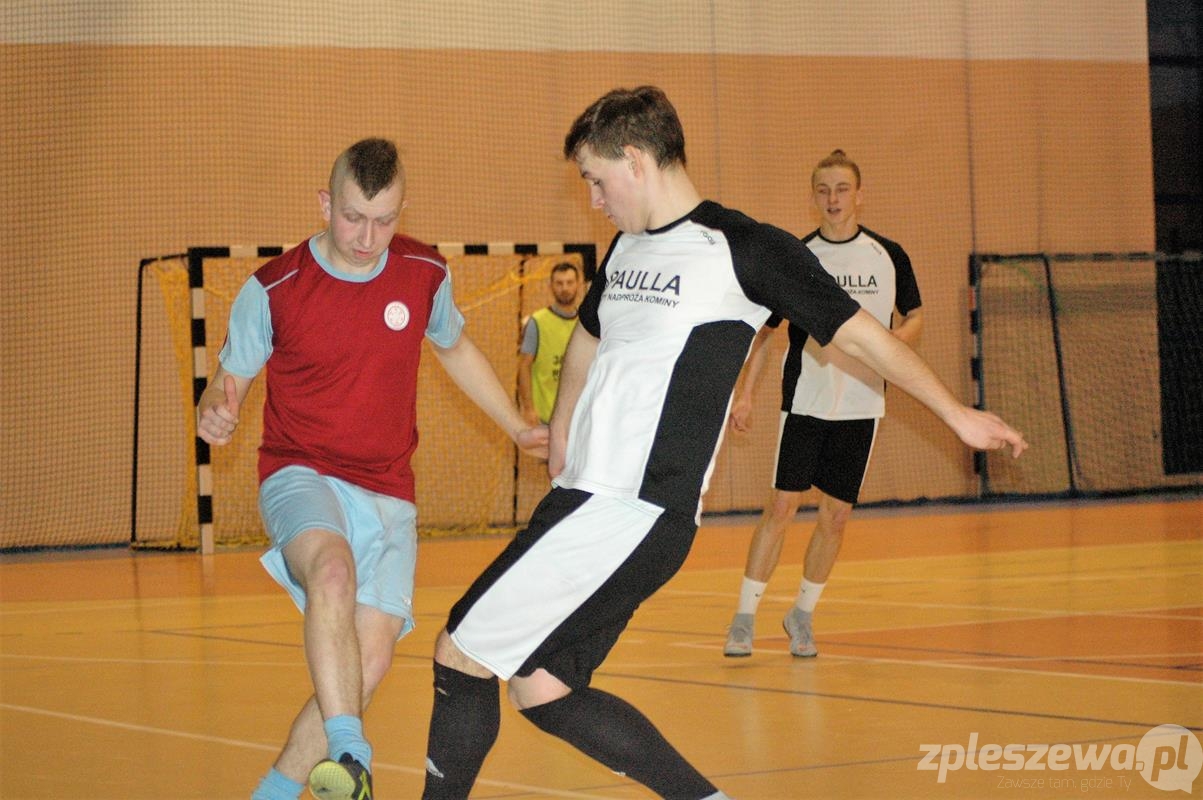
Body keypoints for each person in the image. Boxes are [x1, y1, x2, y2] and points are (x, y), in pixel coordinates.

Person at [419, 86, 1026, 800]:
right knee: (543, 688)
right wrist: (560, 431)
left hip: (629, 507)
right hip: (590, 500)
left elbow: (861, 335)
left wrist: (954, 413)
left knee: (460, 655)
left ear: (636, 161)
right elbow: (588, 336)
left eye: (595, 178)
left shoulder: (743, 249)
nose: (592, 198)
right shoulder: (625, 248)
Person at [196, 138, 546, 800]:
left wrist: (518, 425)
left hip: (388, 488)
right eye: (353, 217)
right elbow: (229, 380)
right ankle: (352, 759)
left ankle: (272, 793)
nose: (367, 236)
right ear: (325, 203)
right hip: (300, 473)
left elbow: (456, 347)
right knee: (331, 569)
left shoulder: (421, 273)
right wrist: (218, 405)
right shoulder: (275, 288)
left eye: (384, 220)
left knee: (370, 659)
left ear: (401, 208)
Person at [722, 150, 923, 659]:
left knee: (835, 517)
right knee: (783, 506)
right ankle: (744, 618)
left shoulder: (888, 255)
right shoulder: (797, 256)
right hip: (805, 400)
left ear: (859, 194)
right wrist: (745, 394)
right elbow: (766, 334)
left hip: (862, 404)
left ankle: (802, 616)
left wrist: (891, 348)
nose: (833, 199)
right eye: (823, 190)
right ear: (813, 196)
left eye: (841, 189)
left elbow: (916, 315)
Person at [517, 261, 582, 425]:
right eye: (559, 283)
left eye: (569, 282)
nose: (565, 288)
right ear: (551, 286)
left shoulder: (586, 322)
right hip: (547, 416)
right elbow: (524, 366)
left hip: (579, 416)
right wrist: (529, 408)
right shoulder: (537, 322)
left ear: (578, 284)